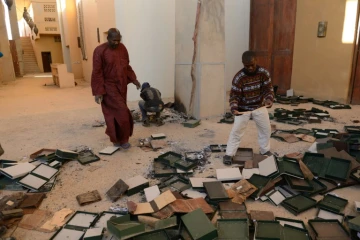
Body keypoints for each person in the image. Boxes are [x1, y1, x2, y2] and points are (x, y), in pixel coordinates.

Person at [91, 28, 141, 149]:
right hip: (108, 87)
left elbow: (126, 66)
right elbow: (97, 72)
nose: (116, 43)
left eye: (118, 40)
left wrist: (134, 79)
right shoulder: (99, 51)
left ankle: (119, 139)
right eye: (114, 40)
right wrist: (98, 91)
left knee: (116, 113)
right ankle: (122, 140)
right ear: (108, 38)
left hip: (122, 86)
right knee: (122, 112)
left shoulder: (122, 49)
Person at [223, 51, 274, 165]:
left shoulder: (264, 73)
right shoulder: (238, 78)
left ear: (256, 61)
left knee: (266, 129)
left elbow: (268, 89)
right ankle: (229, 154)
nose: (250, 68)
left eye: (252, 64)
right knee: (236, 132)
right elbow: (234, 96)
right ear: (243, 63)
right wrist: (234, 108)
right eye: (247, 65)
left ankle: (265, 150)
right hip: (243, 108)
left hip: (259, 106)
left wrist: (269, 99)